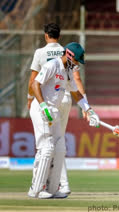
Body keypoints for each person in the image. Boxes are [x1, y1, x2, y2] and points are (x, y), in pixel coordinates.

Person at [28, 42, 99, 199]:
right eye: (76, 61)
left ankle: (53, 189)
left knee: (60, 149)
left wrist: (89, 110)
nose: (77, 65)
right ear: (69, 55)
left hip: (53, 110)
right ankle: (36, 190)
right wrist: (43, 106)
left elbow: (76, 94)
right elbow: (35, 84)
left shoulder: (68, 72)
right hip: (41, 109)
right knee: (47, 149)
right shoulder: (52, 65)